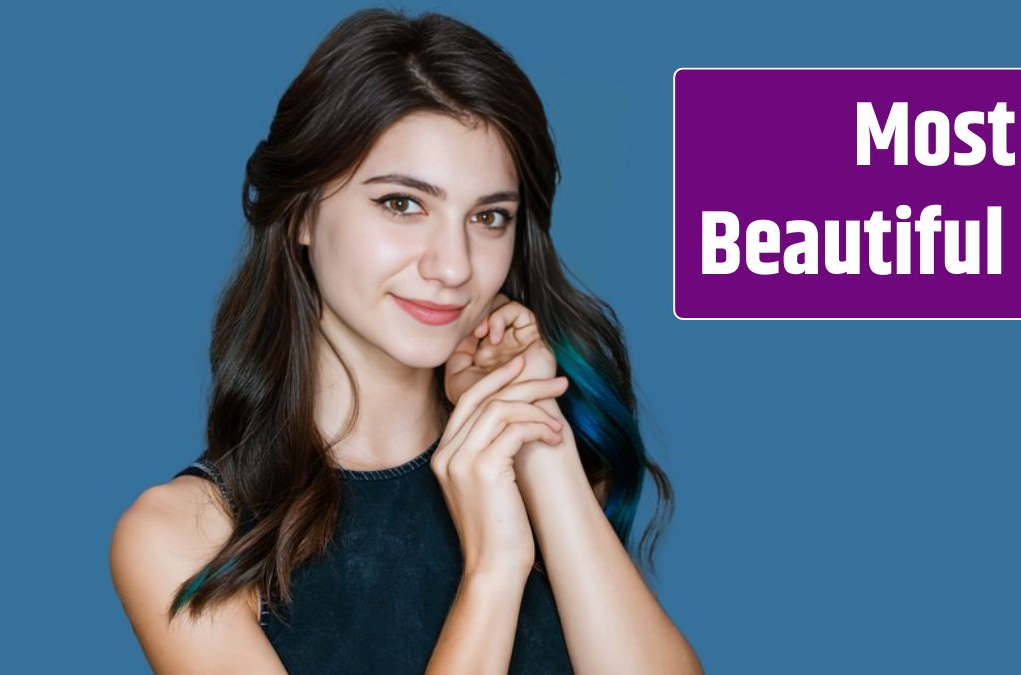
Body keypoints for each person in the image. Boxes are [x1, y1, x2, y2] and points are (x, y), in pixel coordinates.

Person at [108, 7, 703, 674]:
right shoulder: (185, 539)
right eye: (402, 203)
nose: (453, 265)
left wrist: (537, 440)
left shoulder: (550, 467)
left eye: (490, 216)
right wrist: (494, 568)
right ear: (303, 210)